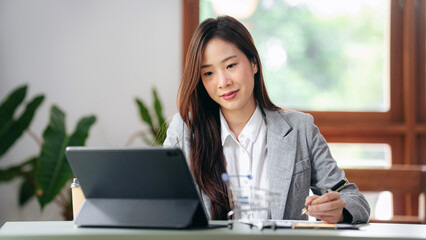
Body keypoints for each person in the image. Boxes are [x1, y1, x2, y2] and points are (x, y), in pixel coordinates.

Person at [163, 15, 370, 224]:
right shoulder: (184, 130)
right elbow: (159, 201)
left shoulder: (300, 129)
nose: (223, 82)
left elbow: (353, 198)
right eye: (208, 73)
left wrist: (339, 211)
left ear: (254, 63)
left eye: (230, 66)